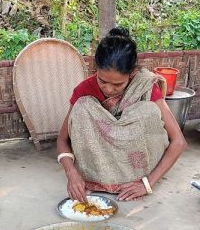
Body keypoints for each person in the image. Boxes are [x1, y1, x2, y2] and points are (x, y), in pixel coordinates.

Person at [56, 27, 187, 202]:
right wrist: (71, 173)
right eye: (102, 81)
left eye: (118, 84)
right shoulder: (84, 90)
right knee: (82, 106)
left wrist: (147, 183)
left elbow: (179, 141)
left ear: (132, 74)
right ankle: (97, 177)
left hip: (138, 171)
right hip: (95, 169)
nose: (109, 89)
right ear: (95, 69)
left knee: (147, 110)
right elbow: (62, 140)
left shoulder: (144, 86)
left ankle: (138, 175)